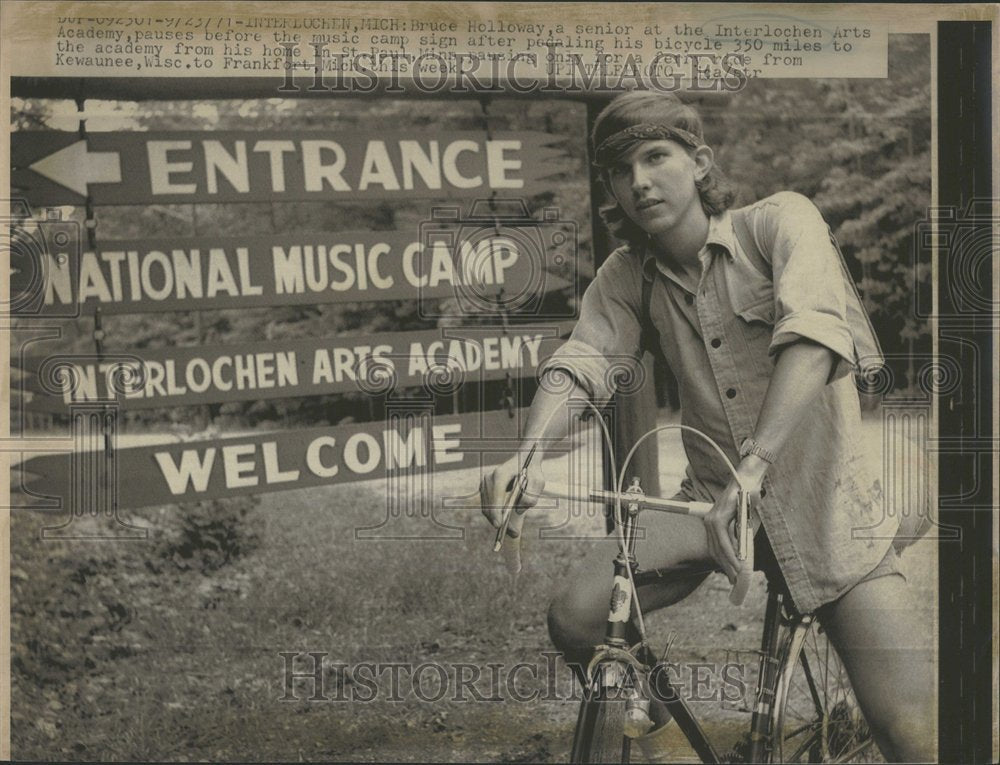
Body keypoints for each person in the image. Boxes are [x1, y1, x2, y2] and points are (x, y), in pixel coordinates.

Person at [480, 91, 935, 762]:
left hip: (829, 504)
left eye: (656, 156)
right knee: (578, 616)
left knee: (914, 730)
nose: (638, 180)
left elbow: (813, 338)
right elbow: (583, 358)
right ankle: (671, 750)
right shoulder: (627, 275)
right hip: (711, 504)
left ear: (700, 162)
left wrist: (757, 465)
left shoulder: (780, 222)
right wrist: (526, 454)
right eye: (619, 169)